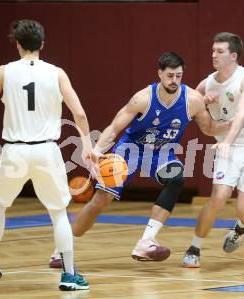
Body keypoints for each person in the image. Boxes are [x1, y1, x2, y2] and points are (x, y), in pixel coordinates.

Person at [49, 51, 231, 267]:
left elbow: (209, 128)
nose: (175, 81)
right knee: (100, 201)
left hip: (162, 152)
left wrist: (233, 124)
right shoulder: (143, 98)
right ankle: (62, 248)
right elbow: (114, 127)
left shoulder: (192, 100)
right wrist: (96, 151)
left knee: (176, 178)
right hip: (131, 148)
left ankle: (146, 241)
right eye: (170, 75)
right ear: (159, 74)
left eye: (179, 76)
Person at [0, 19, 97, 290]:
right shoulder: (57, 73)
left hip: (15, 150)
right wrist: (87, 146)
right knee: (58, 212)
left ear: (17, 44)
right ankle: (69, 274)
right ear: (42, 44)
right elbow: (80, 113)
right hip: (47, 150)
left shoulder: (5, 72)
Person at [181, 32, 244, 268]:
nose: (214, 55)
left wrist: (226, 141)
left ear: (233, 56)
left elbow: (241, 114)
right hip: (229, 150)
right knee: (219, 196)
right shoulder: (206, 84)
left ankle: (240, 229)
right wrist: (203, 103)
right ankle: (194, 248)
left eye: (220, 51)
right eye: (213, 51)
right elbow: (187, 105)